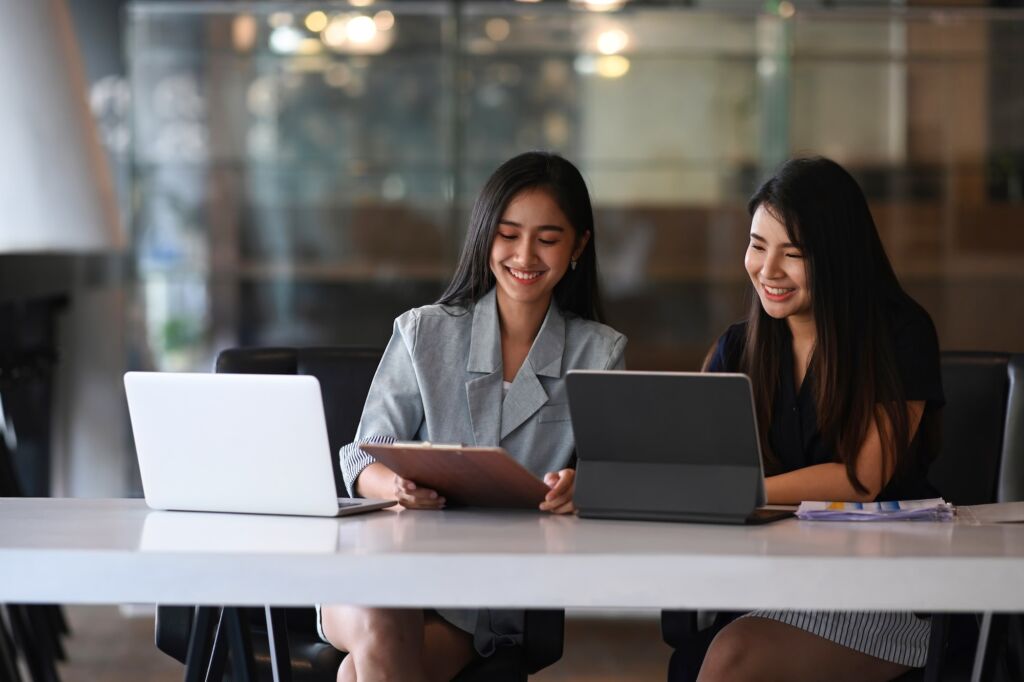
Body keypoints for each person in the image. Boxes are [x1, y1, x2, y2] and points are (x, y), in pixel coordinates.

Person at [319, 151, 627, 682]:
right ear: (485, 235)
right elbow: (360, 456)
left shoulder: (598, 353)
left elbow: (618, 472)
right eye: (508, 234)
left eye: (548, 239)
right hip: (385, 567)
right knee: (382, 619)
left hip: (481, 597)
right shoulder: (424, 332)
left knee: (359, 673)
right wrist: (396, 485)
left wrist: (584, 486)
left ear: (578, 245)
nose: (524, 254)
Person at [697, 157, 944, 682]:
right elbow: (701, 466)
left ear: (837, 258)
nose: (767, 271)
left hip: (881, 586)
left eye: (794, 254)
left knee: (732, 657)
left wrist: (742, 491)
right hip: (768, 575)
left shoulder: (899, 334)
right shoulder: (738, 347)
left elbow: (859, 480)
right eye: (757, 245)